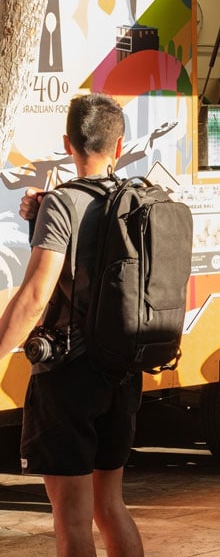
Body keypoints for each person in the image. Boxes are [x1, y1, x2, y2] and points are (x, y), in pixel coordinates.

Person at [4, 93, 144, 557]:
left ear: (68, 144)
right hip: (122, 369)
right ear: (118, 146)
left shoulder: (63, 203)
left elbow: (35, 296)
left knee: (71, 520)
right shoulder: (136, 200)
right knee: (111, 506)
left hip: (69, 375)